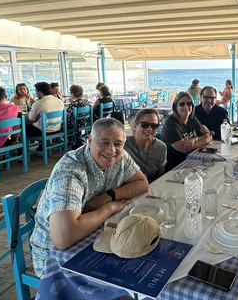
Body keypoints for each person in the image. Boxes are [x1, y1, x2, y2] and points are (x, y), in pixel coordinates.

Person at [30, 118, 149, 276]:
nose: (111, 150)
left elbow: (142, 183)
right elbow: (63, 238)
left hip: (94, 234)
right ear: (90, 140)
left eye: (118, 144)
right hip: (53, 259)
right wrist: (109, 207)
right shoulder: (71, 169)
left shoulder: (119, 156)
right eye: (104, 142)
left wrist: (109, 196)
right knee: (127, 272)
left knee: (137, 253)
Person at [161, 91, 213, 171]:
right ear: (175, 107)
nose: (186, 107)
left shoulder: (192, 118)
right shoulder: (170, 124)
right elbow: (184, 149)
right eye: (182, 104)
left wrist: (194, 139)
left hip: (194, 161)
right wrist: (205, 140)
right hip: (176, 166)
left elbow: (208, 135)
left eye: (189, 104)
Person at [124, 108, 167, 183]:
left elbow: (160, 176)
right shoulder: (124, 145)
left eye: (154, 126)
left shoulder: (161, 147)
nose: (149, 129)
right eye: (144, 125)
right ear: (135, 125)